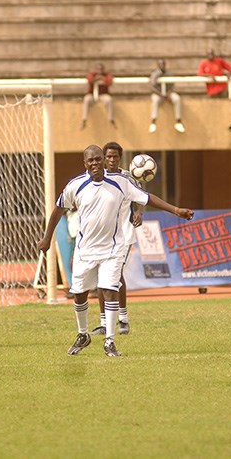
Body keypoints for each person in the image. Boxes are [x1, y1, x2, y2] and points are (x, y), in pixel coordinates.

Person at [38, 145, 193, 357]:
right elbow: (57, 210)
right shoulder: (75, 186)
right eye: (90, 160)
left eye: (98, 159)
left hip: (112, 249)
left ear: (104, 161)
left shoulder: (120, 183)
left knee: (110, 289)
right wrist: (47, 238)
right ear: (85, 164)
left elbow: (147, 198)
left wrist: (176, 210)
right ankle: (83, 334)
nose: (95, 163)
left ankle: (110, 341)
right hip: (85, 250)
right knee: (79, 293)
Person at [91, 141, 143, 336]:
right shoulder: (97, 177)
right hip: (102, 235)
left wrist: (138, 212)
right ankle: (104, 322)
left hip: (124, 233)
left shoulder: (128, 177)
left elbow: (142, 198)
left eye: (115, 157)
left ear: (120, 158)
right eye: (109, 156)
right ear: (104, 158)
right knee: (100, 278)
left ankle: (123, 319)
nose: (112, 160)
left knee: (116, 275)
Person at [149, 59, 185, 133]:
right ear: (158, 65)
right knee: (155, 100)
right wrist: (161, 94)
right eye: (160, 64)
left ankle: (178, 121)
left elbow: (172, 86)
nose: (162, 66)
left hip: (168, 93)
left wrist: (168, 94)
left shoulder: (169, 73)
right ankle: (153, 121)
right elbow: (152, 87)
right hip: (158, 94)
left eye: (163, 64)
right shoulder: (154, 74)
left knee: (177, 98)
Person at [81, 63, 115, 129]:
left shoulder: (106, 75)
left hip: (102, 94)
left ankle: (111, 119)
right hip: (92, 95)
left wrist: (103, 78)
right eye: (98, 69)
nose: (99, 71)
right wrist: (95, 79)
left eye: (101, 69)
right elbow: (89, 80)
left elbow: (109, 82)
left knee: (109, 99)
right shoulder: (92, 74)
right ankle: (84, 119)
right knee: (86, 99)